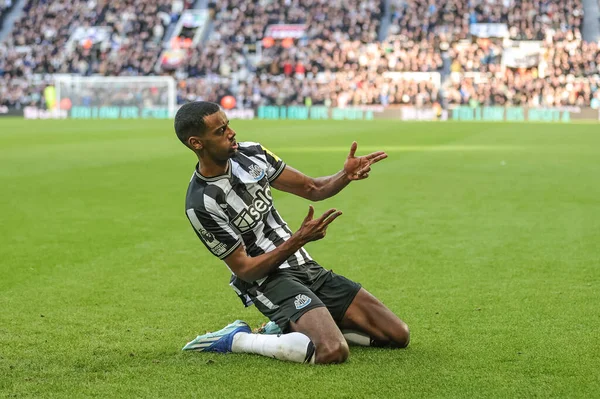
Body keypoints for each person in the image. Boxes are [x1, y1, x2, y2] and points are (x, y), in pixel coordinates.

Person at [174, 101, 410, 364]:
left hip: (303, 265)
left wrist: (344, 175)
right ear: (197, 143)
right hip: (268, 281)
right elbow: (245, 270)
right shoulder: (201, 204)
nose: (231, 133)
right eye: (220, 131)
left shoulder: (252, 153)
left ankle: (294, 327)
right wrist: (298, 239)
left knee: (397, 335)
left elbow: (312, 188)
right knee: (331, 351)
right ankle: (238, 339)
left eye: (228, 125)